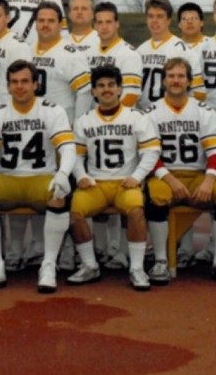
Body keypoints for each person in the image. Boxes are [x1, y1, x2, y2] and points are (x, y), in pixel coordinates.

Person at [0, 60, 78, 293]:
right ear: (8, 87)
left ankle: (48, 266)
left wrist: (63, 174)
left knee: (59, 194)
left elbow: (67, 147)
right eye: (14, 82)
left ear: (35, 84)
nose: (20, 87)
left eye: (25, 82)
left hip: (42, 177)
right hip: (8, 177)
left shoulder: (52, 110)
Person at [143, 57, 216, 285]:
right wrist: (169, 179)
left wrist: (209, 180)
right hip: (163, 175)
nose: (176, 81)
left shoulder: (204, 110)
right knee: (156, 197)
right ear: (164, 81)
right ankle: (160, 260)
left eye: (180, 76)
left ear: (189, 81)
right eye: (171, 76)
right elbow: (148, 154)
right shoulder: (151, 112)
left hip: (197, 174)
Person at [65, 65, 160, 290]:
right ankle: (90, 265)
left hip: (125, 182)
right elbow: (76, 155)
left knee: (136, 211)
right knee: (74, 212)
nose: (106, 90)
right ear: (94, 92)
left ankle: (136, 267)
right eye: (101, 86)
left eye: (111, 85)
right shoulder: (84, 121)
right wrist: (81, 176)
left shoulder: (136, 117)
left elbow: (151, 151)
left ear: (120, 89)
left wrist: (137, 176)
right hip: (96, 183)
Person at [135, 0, 204, 110]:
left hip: (172, 116)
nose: (154, 20)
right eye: (151, 16)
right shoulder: (140, 50)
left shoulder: (182, 50)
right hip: (145, 117)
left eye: (160, 16)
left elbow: (199, 93)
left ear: (169, 20)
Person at [29, 2, 91, 121]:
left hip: (62, 122)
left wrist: (78, 126)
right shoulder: (27, 50)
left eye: (51, 21)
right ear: (35, 24)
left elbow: (85, 94)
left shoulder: (72, 55)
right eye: (41, 20)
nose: (45, 25)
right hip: (32, 121)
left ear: (60, 24)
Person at [86, 1, 143, 108]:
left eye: (108, 22)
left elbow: (131, 95)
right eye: (100, 22)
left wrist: (110, 117)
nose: (104, 27)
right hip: (93, 120)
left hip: (120, 120)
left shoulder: (129, 54)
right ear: (94, 26)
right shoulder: (88, 53)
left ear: (117, 24)